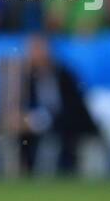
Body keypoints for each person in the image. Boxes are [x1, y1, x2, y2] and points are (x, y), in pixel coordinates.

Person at [18, 35, 99, 174]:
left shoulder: (64, 75)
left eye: (39, 50)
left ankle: (64, 170)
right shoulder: (27, 77)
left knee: (56, 131)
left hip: (69, 122)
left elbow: (74, 107)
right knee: (18, 129)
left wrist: (40, 120)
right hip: (39, 124)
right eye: (32, 51)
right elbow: (23, 104)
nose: (35, 55)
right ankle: (23, 171)